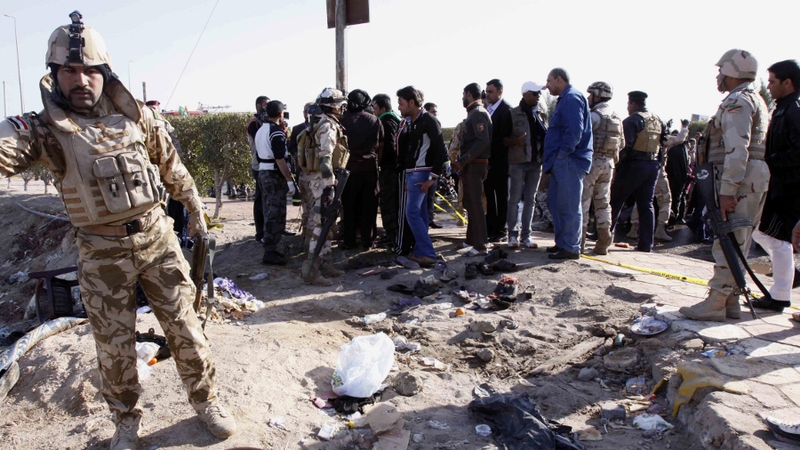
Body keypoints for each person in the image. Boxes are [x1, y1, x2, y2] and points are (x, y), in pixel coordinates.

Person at [0, 12, 236, 448]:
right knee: (114, 346)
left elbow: (171, 166)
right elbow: (6, 149)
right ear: (55, 75)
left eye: (90, 70)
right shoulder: (44, 129)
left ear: (104, 72)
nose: (81, 80)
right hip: (101, 250)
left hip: (157, 239)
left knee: (185, 328)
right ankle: (126, 420)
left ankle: (207, 402)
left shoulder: (136, 116)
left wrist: (196, 207)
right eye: (70, 71)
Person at [679, 49, 770, 322]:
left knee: (728, 240)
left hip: (738, 179)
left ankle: (716, 302)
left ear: (733, 72)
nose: (718, 76)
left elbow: (737, 148)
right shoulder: (754, 99)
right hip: (749, 178)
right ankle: (730, 303)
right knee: (736, 241)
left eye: (721, 71)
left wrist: (728, 189)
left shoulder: (737, 102)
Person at [749, 59, 800, 312]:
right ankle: (790, 276)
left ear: (787, 83)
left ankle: (780, 295)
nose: (768, 87)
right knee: (761, 232)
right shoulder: (783, 108)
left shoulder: (795, 110)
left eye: (772, 81)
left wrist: (767, 163)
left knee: (778, 240)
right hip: (779, 184)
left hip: (790, 187)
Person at [299, 88, 349, 285]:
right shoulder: (328, 126)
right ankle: (311, 272)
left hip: (319, 180)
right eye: (341, 105)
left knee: (327, 223)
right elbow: (325, 159)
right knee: (320, 224)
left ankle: (326, 262)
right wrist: (329, 186)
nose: (343, 109)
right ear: (334, 106)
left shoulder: (319, 123)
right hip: (323, 181)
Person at [543, 68, 593, 260]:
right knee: (555, 203)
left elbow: (574, 130)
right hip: (561, 162)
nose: (547, 85)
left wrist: (563, 154)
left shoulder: (572, 98)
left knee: (569, 205)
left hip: (570, 161)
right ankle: (562, 243)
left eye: (549, 81)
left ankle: (571, 247)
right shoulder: (565, 99)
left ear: (559, 79)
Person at [608, 91, 667, 252]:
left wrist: (618, 167)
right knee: (646, 205)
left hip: (634, 165)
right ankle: (646, 243)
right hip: (652, 165)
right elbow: (663, 144)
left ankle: (605, 235)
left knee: (616, 200)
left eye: (628, 104)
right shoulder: (657, 120)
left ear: (633, 104)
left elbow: (626, 146)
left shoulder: (632, 120)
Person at [395, 85, 446, 267]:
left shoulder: (428, 121)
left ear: (411, 102)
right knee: (421, 214)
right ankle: (422, 251)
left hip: (420, 173)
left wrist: (431, 178)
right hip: (414, 173)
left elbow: (441, 150)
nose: (399, 107)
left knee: (412, 213)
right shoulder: (414, 121)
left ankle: (427, 252)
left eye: (401, 103)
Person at [627, 122, 688, 242]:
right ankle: (660, 229)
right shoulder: (662, 138)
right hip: (658, 172)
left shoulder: (644, 137)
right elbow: (679, 139)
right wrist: (685, 127)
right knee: (665, 200)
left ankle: (633, 229)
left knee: (641, 199)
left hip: (642, 169)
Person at [581, 82, 624, 255]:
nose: (588, 97)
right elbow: (622, 144)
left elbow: (581, 138)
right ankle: (604, 243)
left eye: (591, 94)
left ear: (597, 95)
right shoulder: (616, 117)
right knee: (603, 204)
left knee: (583, 202)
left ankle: (580, 243)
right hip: (609, 163)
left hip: (592, 162)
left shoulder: (594, 116)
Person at [505, 81, 548, 249]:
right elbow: (502, 139)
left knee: (531, 200)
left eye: (539, 93)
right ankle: (512, 235)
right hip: (518, 162)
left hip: (536, 163)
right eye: (534, 93)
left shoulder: (542, 114)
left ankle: (526, 236)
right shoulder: (513, 114)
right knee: (514, 200)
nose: (538, 96)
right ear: (525, 94)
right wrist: (517, 141)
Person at [452, 83, 492, 255]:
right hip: (473, 164)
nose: (462, 98)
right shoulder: (475, 113)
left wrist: (463, 160)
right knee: (469, 202)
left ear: (469, 94)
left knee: (475, 204)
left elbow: (482, 141)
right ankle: (471, 240)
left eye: (463, 94)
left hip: (476, 164)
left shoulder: (477, 114)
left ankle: (481, 244)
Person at [341, 89, 383, 249]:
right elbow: (381, 146)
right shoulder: (374, 120)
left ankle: (349, 240)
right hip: (369, 168)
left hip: (348, 170)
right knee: (369, 207)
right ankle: (368, 240)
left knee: (349, 206)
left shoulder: (342, 121)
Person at [255, 100, 294, 265]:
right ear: (280, 114)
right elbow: (280, 159)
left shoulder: (261, 130)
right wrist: (289, 180)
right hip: (273, 173)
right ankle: (270, 251)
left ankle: (272, 246)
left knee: (268, 209)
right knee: (274, 212)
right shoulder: (276, 132)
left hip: (263, 171)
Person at [484, 79, 512, 242]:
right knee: (489, 195)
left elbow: (502, 138)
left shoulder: (506, 110)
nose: (488, 95)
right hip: (487, 161)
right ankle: (491, 226)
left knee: (501, 196)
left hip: (500, 161)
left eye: (491, 92)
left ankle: (501, 229)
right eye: (487, 91)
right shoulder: (486, 110)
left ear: (500, 92)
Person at [372, 94, 402, 246]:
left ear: (383, 108)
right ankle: (393, 234)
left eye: (375, 108)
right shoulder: (397, 120)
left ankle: (392, 236)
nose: (373, 111)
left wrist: (381, 160)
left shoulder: (385, 121)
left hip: (389, 169)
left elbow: (389, 145)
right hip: (395, 168)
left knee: (388, 203)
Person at [247, 95, 270, 242]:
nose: (267, 109)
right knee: (261, 200)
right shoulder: (254, 123)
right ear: (258, 106)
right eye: (265, 106)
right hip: (259, 165)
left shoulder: (265, 122)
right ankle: (260, 232)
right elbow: (260, 137)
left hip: (268, 165)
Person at [423, 102, 442, 228]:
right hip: (424, 166)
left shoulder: (436, 125)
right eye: (433, 112)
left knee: (431, 196)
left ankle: (430, 218)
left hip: (434, 166)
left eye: (436, 112)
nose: (435, 114)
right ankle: (425, 221)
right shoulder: (424, 124)